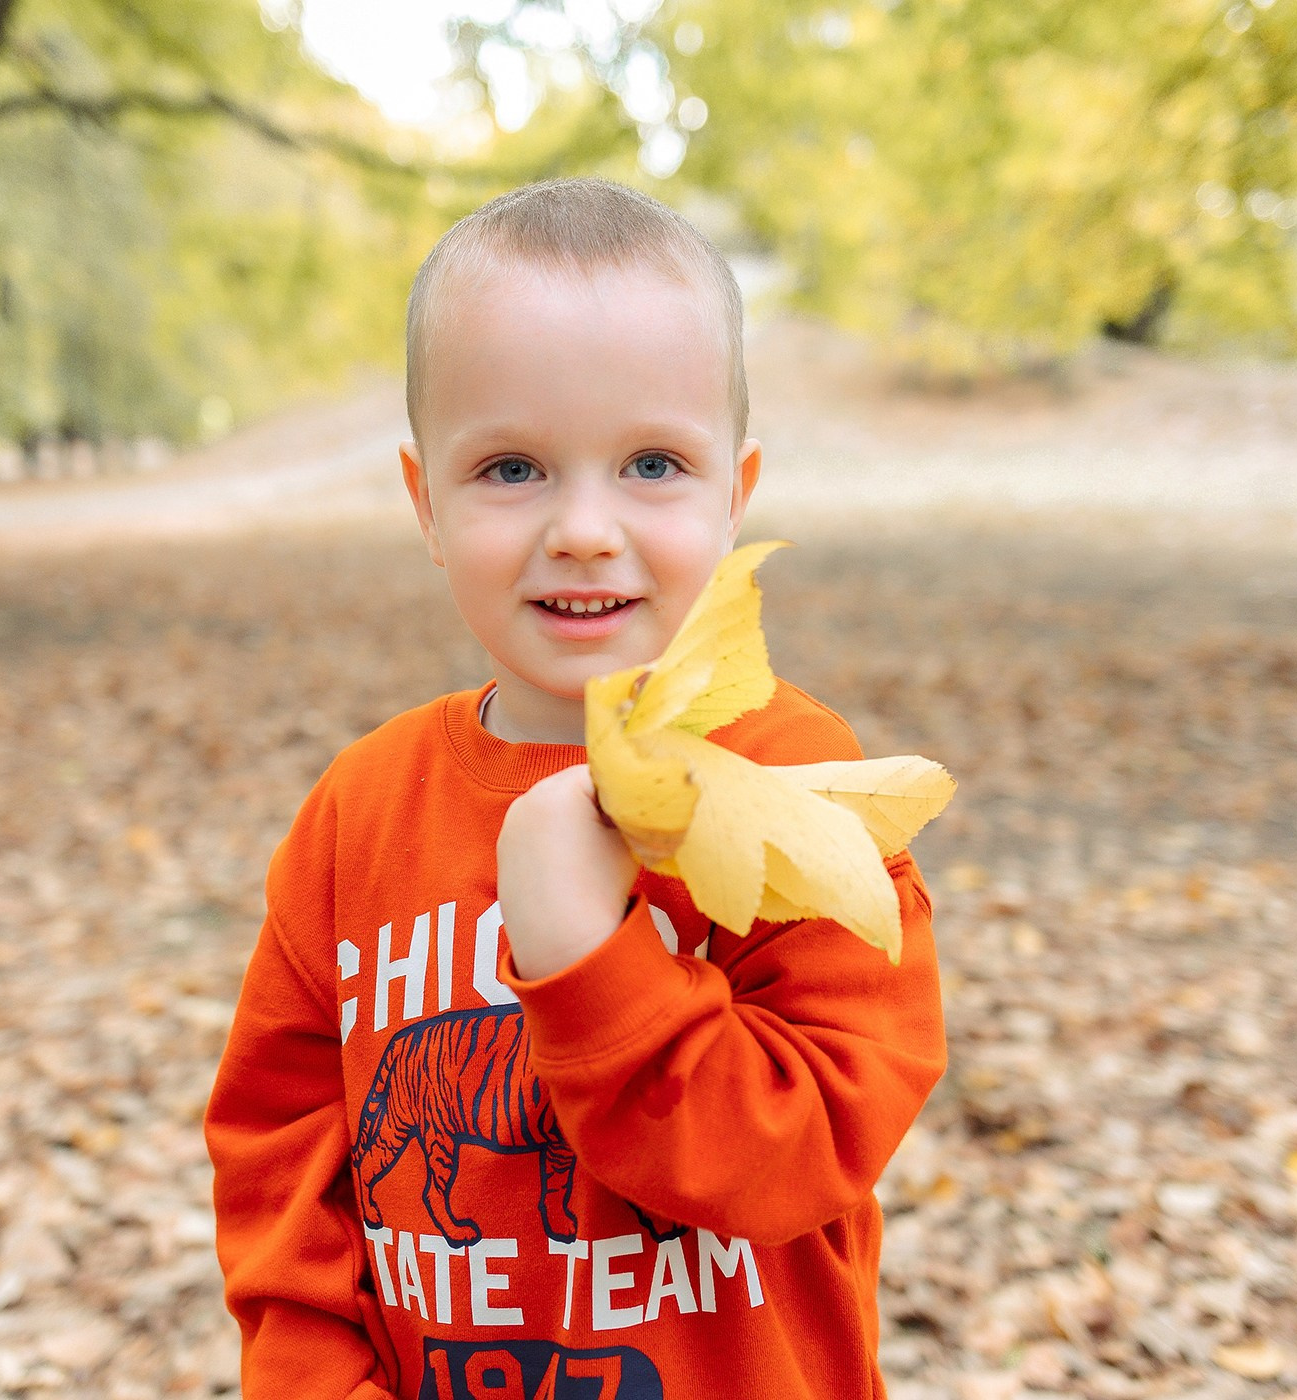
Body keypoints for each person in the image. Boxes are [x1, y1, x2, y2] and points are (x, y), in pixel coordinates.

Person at [205, 177, 946, 1399]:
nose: (585, 528)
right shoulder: (359, 813)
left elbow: (813, 1142)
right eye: (511, 468)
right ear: (424, 503)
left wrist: (585, 961)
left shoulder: (804, 786)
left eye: (653, 463)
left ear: (735, 492)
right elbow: (281, 1160)